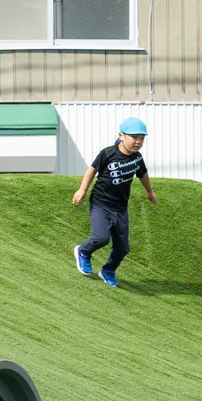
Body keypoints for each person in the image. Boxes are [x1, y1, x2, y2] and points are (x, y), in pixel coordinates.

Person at [72, 118, 157, 288]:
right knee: (101, 237)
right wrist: (82, 189)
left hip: (120, 207)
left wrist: (149, 191)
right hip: (100, 203)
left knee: (123, 248)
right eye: (134, 137)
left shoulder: (137, 158)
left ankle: (108, 270)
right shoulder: (108, 153)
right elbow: (92, 170)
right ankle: (83, 251)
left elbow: (143, 174)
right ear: (121, 135)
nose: (138, 142)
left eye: (142, 138)